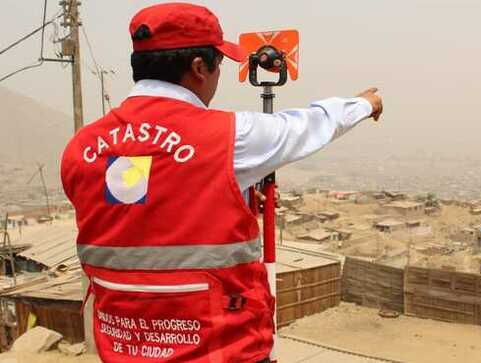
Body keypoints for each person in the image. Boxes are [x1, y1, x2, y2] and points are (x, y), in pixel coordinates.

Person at [60, 3, 383, 363]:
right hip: (218, 349)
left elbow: (140, 213)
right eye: (219, 66)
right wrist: (363, 104)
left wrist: (230, 199)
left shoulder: (81, 148)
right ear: (199, 68)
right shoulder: (228, 137)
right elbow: (306, 126)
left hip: (123, 349)